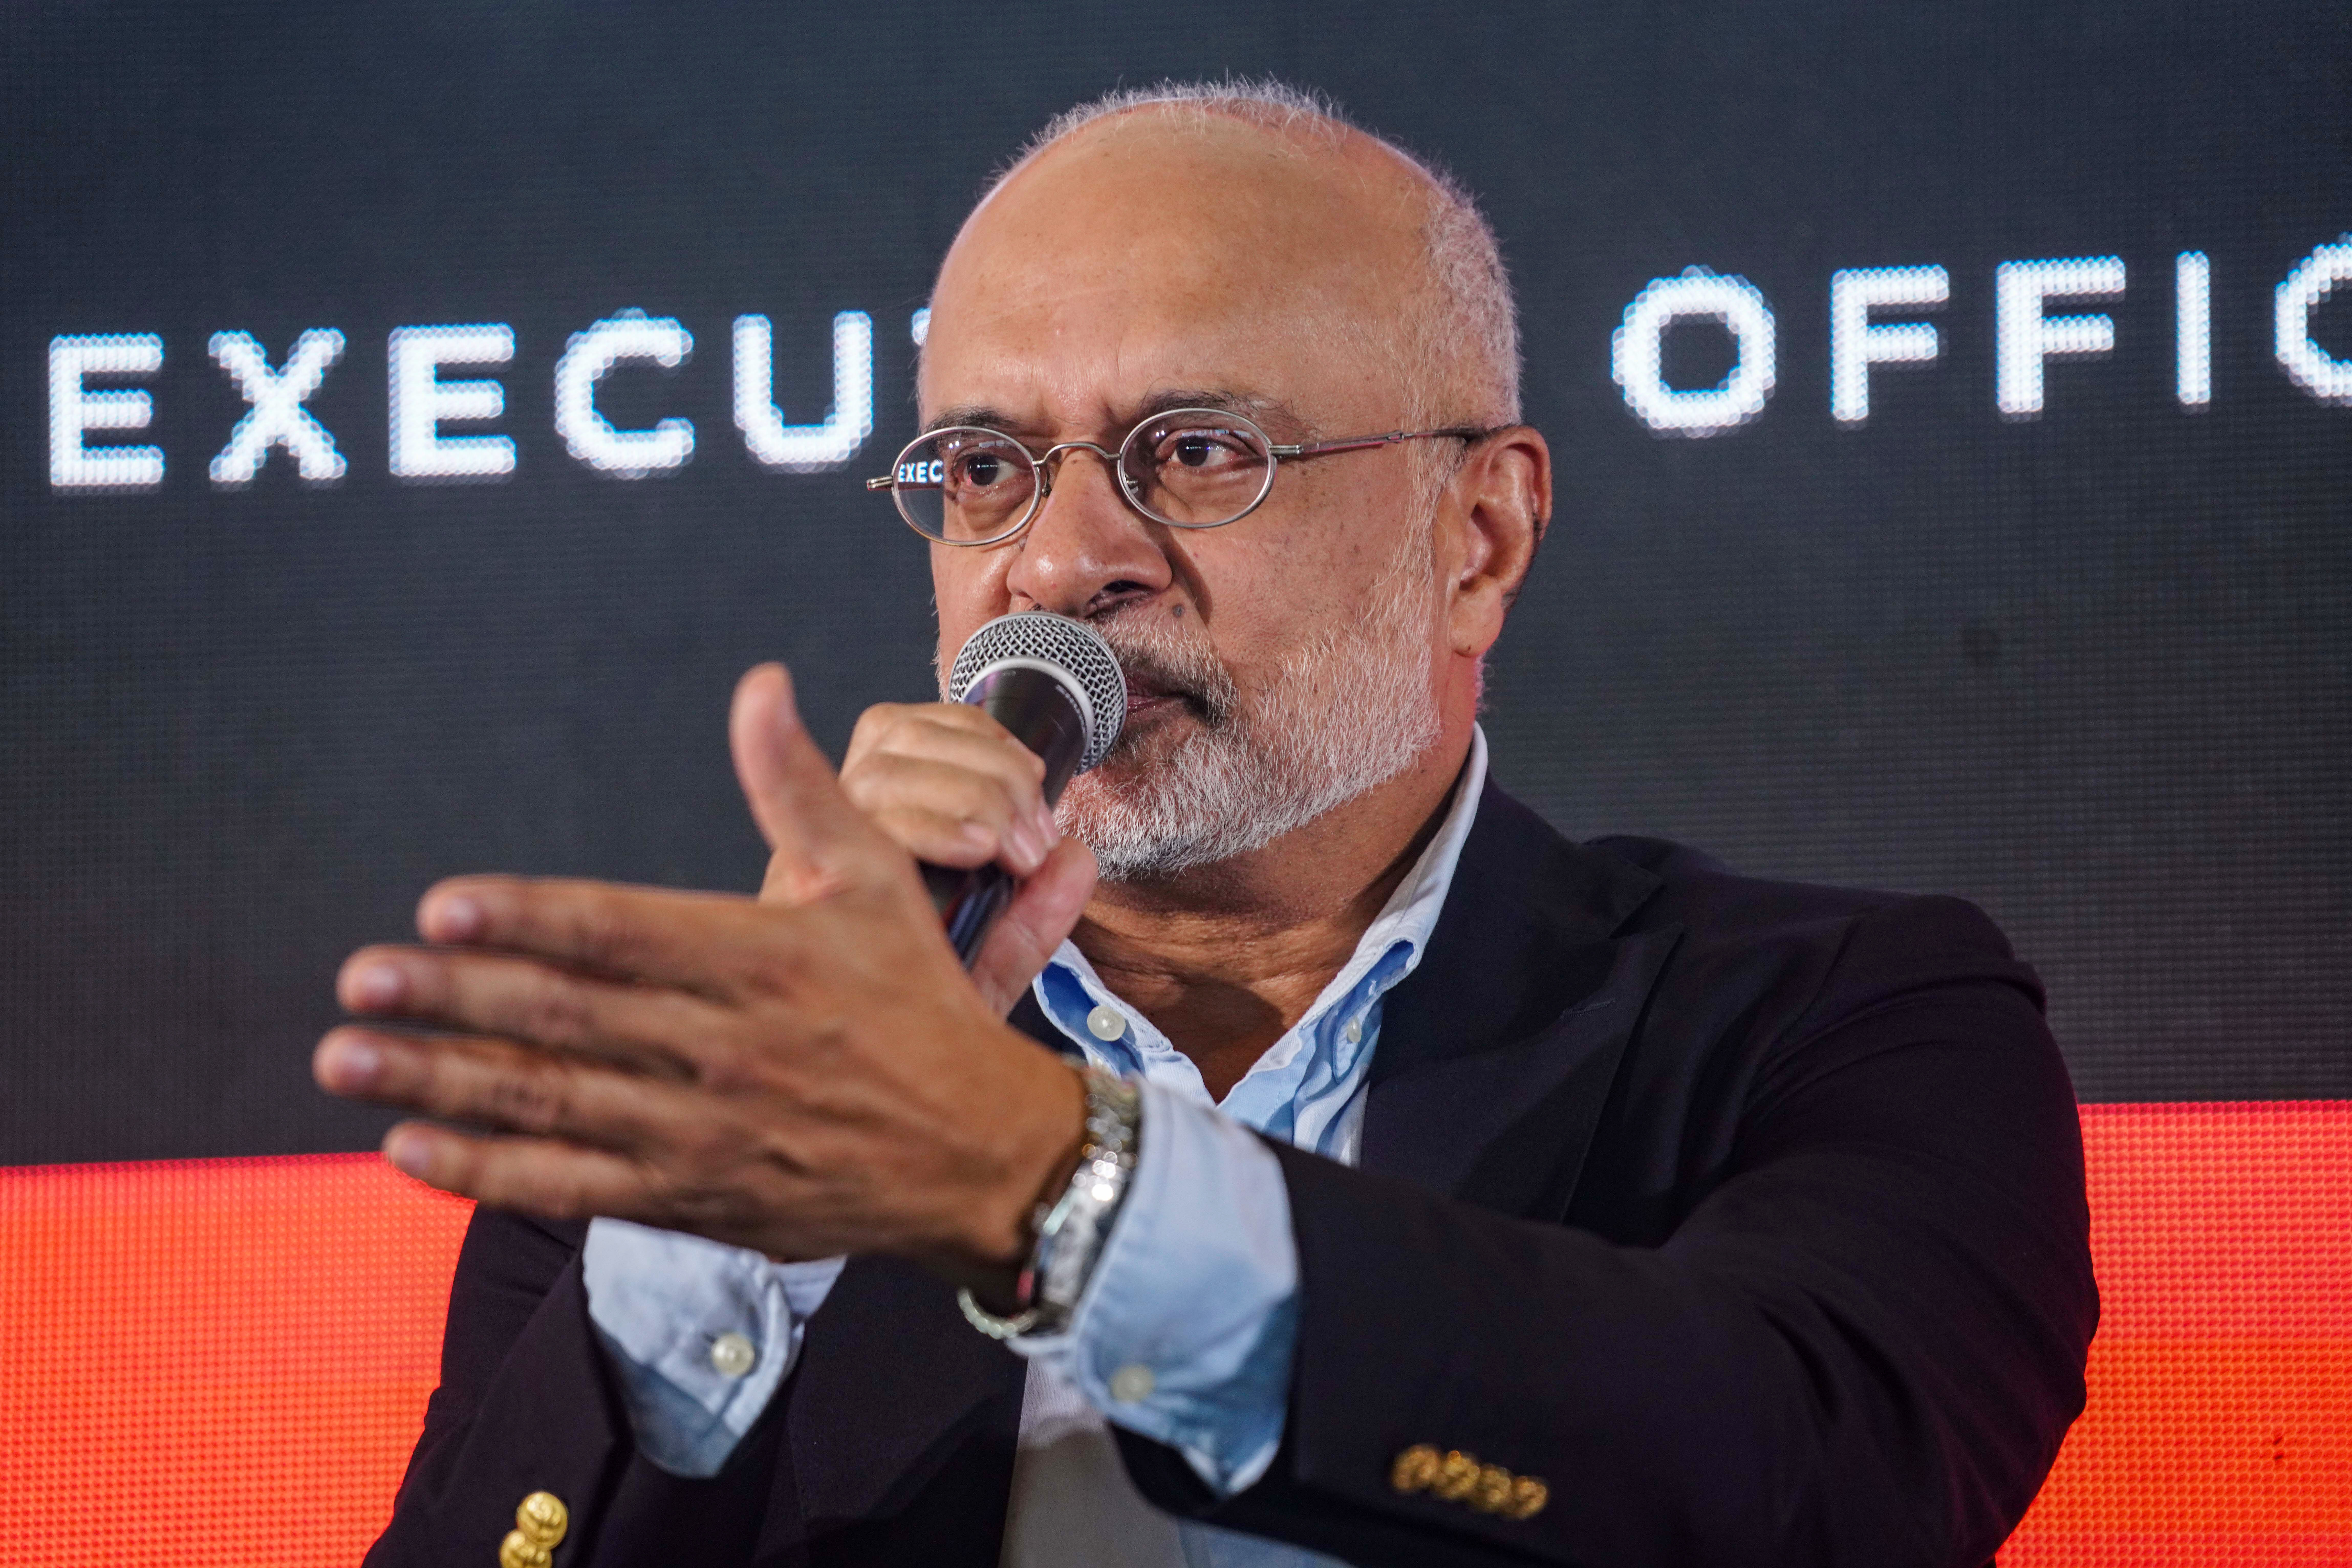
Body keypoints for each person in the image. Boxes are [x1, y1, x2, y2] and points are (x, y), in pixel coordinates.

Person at [318, 81, 2095, 1568]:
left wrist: (1040, 1182)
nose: (1058, 564)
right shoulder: (729, 1095)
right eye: (987, 471)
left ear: (1478, 538)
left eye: (1192, 453)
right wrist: (736, 1221)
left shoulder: (1841, 1020)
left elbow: (1817, 1489)